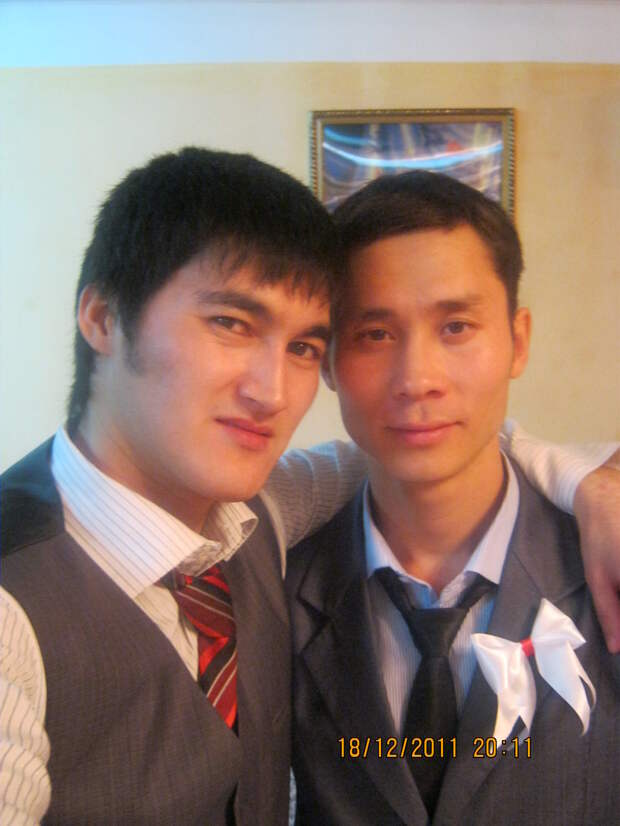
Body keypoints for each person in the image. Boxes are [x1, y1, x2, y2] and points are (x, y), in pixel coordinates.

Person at [0, 148, 617, 826]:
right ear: (102, 316)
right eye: (231, 323)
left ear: (518, 341)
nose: (271, 393)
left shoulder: (253, 513)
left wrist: (585, 475)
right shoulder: (18, 604)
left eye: (301, 346)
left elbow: (415, 445)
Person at [286, 171, 620, 825]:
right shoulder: (278, 585)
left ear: (518, 341)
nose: (418, 380)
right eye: (375, 334)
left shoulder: (601, 563)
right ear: (327, 360)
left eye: (457, 326)